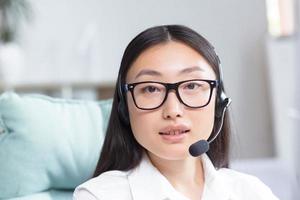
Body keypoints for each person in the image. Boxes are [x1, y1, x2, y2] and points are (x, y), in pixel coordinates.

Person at [73, 25, 278, 200]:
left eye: (191, 86)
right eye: (151, 89)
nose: (173, 110)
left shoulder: (251, 192)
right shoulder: (100, 196)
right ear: (125, 107)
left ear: (219, 102)